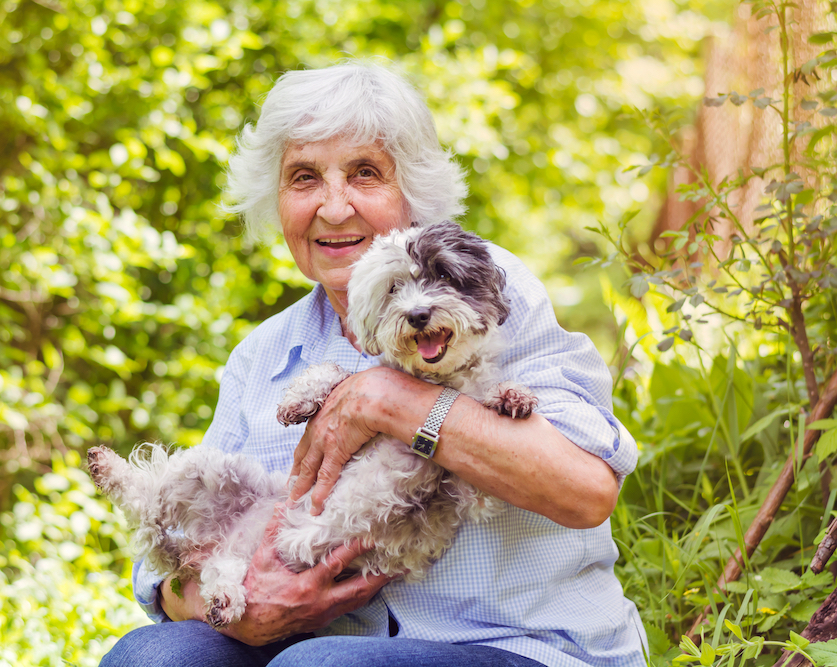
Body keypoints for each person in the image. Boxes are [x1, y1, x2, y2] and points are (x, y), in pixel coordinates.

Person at [100, 62, 646, 667]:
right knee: (151, 657)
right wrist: (235, 605)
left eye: (365, 173)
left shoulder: (487, 287)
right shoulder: (265, 354)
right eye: (304, 178)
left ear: (411, 189)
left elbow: (587, 490)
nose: (334, 209)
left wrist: (395, 402)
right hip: (307, 649)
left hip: (513, 646)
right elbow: (165, 572)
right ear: (275, 201)